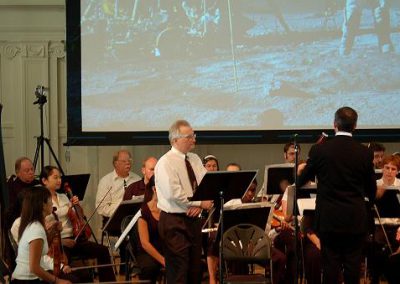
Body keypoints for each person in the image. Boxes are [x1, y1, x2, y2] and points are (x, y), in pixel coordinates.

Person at [298, 106, 377, 284]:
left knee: (330, 267)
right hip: (355, 218)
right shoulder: (365, 152)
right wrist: (368, 203)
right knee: (353, 267)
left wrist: (302, 171)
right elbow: (371, 188)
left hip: (328, 218)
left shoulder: (319, 150)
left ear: (334, 124)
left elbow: (302, 180)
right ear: (355, 126)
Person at [155, 119, 213, 283]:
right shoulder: (165, 162)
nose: (193, 139)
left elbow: (206, 185)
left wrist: (201, 206)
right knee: (179, 271)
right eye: (188, 137)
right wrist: (199, 203)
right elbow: (174, 194)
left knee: (195, 270)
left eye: (193, 135)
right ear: (175, 140)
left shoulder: (194, 158)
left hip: (193, 221)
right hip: (174, 222)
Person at [41, 166, 116, 282]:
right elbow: (44, 226)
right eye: (55, 177)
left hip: (74, 239)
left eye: (60, 177)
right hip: (57, 243)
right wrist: (62, 241)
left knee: (103, 250)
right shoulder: (41, 200)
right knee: (65, 265)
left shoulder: (63, 197)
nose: (59, 180)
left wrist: (76, 206)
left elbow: (78, 217)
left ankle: (108, 281)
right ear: (44, 180)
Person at [11, 186, 71, 284]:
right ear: (43, 205)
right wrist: (58, 281)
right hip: (25, 280)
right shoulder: (36, 229)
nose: (52, 203)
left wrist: (53, 232)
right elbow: (34, 267)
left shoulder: (34, 224)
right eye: (50, 200)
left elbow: (42, 246)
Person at [95, 149, 141, 274]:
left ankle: (142, 265)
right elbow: (100, 207)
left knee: (143, 228)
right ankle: (126, 269)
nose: (128, 163)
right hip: (113, 221)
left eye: (129, 160)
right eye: (124, 161)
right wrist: (118, 211)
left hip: (133, 219)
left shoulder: (137, 179)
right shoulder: (106, 181)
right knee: (129, 229)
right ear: (115, 163)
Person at [370, 155, 400, 283]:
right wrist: (375, 197)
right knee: (376, 247)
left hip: (398, 226)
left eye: (393, 169)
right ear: (382, 169)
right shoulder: (374, 185)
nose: (389, 171)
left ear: (398, 171)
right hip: (377, 226)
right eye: (386, 168)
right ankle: (375, 278)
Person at [135, 175, 165, 283]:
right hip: (147, 252)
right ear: (154, 189)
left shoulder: (167, 209)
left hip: (164, 249)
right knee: (150, 268)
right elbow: (145, 243)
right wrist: (163, 260)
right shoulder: (144, 211)